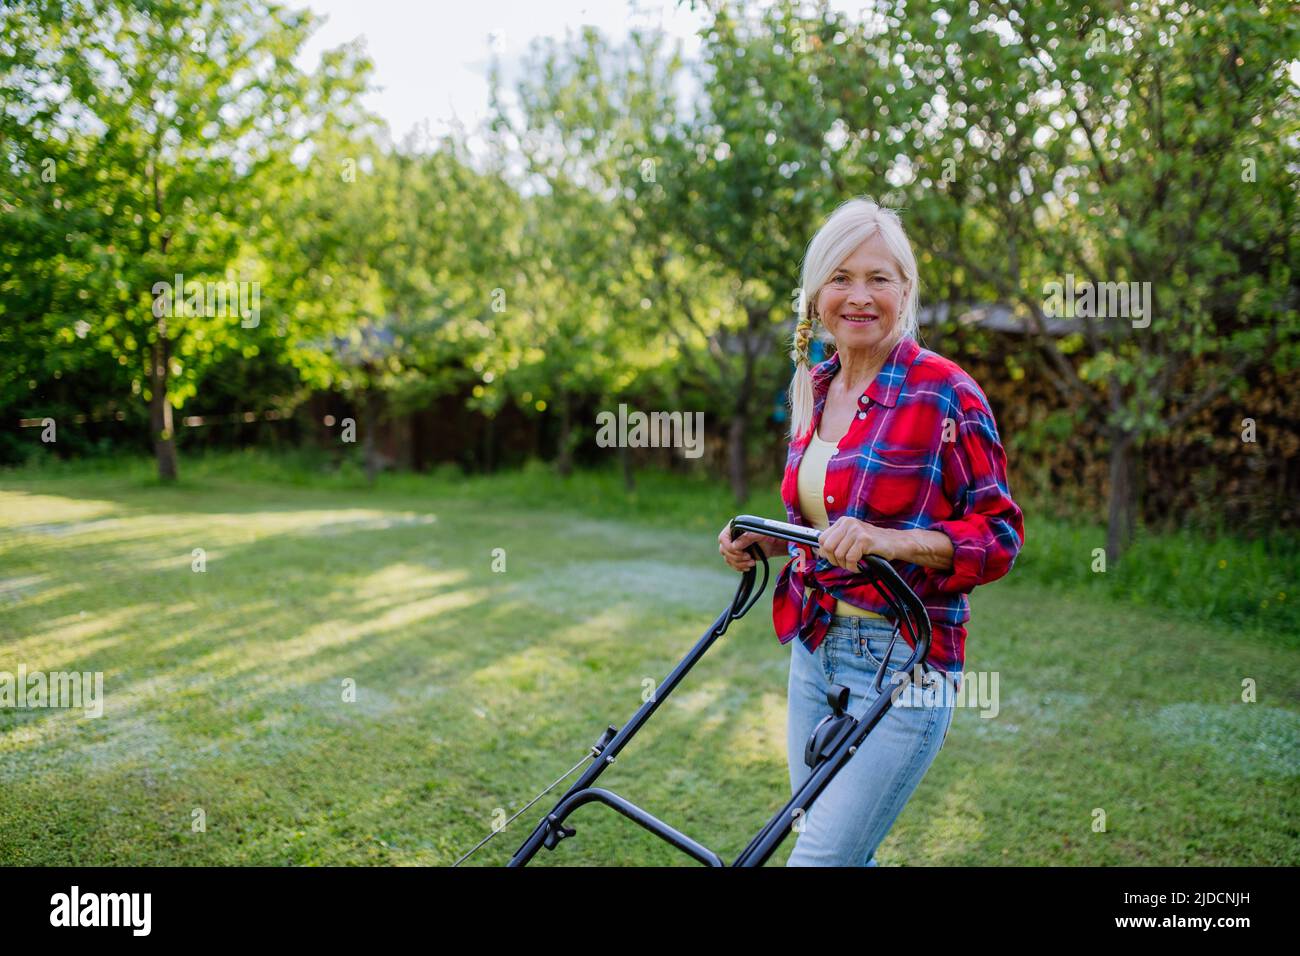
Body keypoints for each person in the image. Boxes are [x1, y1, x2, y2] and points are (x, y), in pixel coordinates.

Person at [718, 196, 1025, 866]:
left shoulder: (946, 393)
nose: (859, 296)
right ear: (817, 294)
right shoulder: (816, 386)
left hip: (905, 662)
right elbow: (821, 523)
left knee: (820, 861)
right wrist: (768, 540)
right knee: (839, 853)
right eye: (841, 277)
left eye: (878, 278)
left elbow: (1000, 536)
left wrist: (889, 541)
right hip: (815, 649)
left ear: (905, 290)